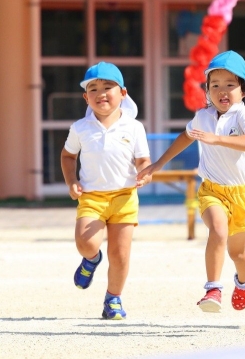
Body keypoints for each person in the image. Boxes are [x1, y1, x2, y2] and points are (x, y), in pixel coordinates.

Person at [137, 51, 245, 312]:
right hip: (212, 191)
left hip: (243, 195)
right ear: (207, 90)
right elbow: (186, 137)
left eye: (230, 84)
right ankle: (213, 289)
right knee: (218, 230)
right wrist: (157, 165)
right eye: (214, 85)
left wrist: (217, 139)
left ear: (243, 89)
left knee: (238, 253)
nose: (222, 90)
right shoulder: (203, 117)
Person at [61, 62, 152, 320]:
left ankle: (113, 298)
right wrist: (71, 181)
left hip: (124, 196)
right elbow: (68, 156)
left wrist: (145, 172)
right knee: (85, 243)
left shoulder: (134, 127)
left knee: (120, 254)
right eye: (93, 89)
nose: (100, 93)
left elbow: (143, 160)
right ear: (85, 97)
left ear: (122, 93)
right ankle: (91, 259)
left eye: (107, 87)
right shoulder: (80, 127)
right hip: (92, 196)